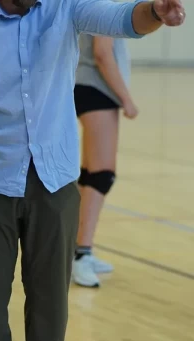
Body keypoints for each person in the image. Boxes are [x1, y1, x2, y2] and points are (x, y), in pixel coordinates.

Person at [0, 0, 185, 340]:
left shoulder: (64, 6)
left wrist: (154, 12)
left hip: (55, 181)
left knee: (51, 306)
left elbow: (120, 19)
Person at [72, 31, 138, 287]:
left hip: (85, 85)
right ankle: (82, 254)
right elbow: (102, 52)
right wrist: (126, 98)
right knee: (102, 174)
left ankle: (75, 250)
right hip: (97, 89)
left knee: (90, 173)